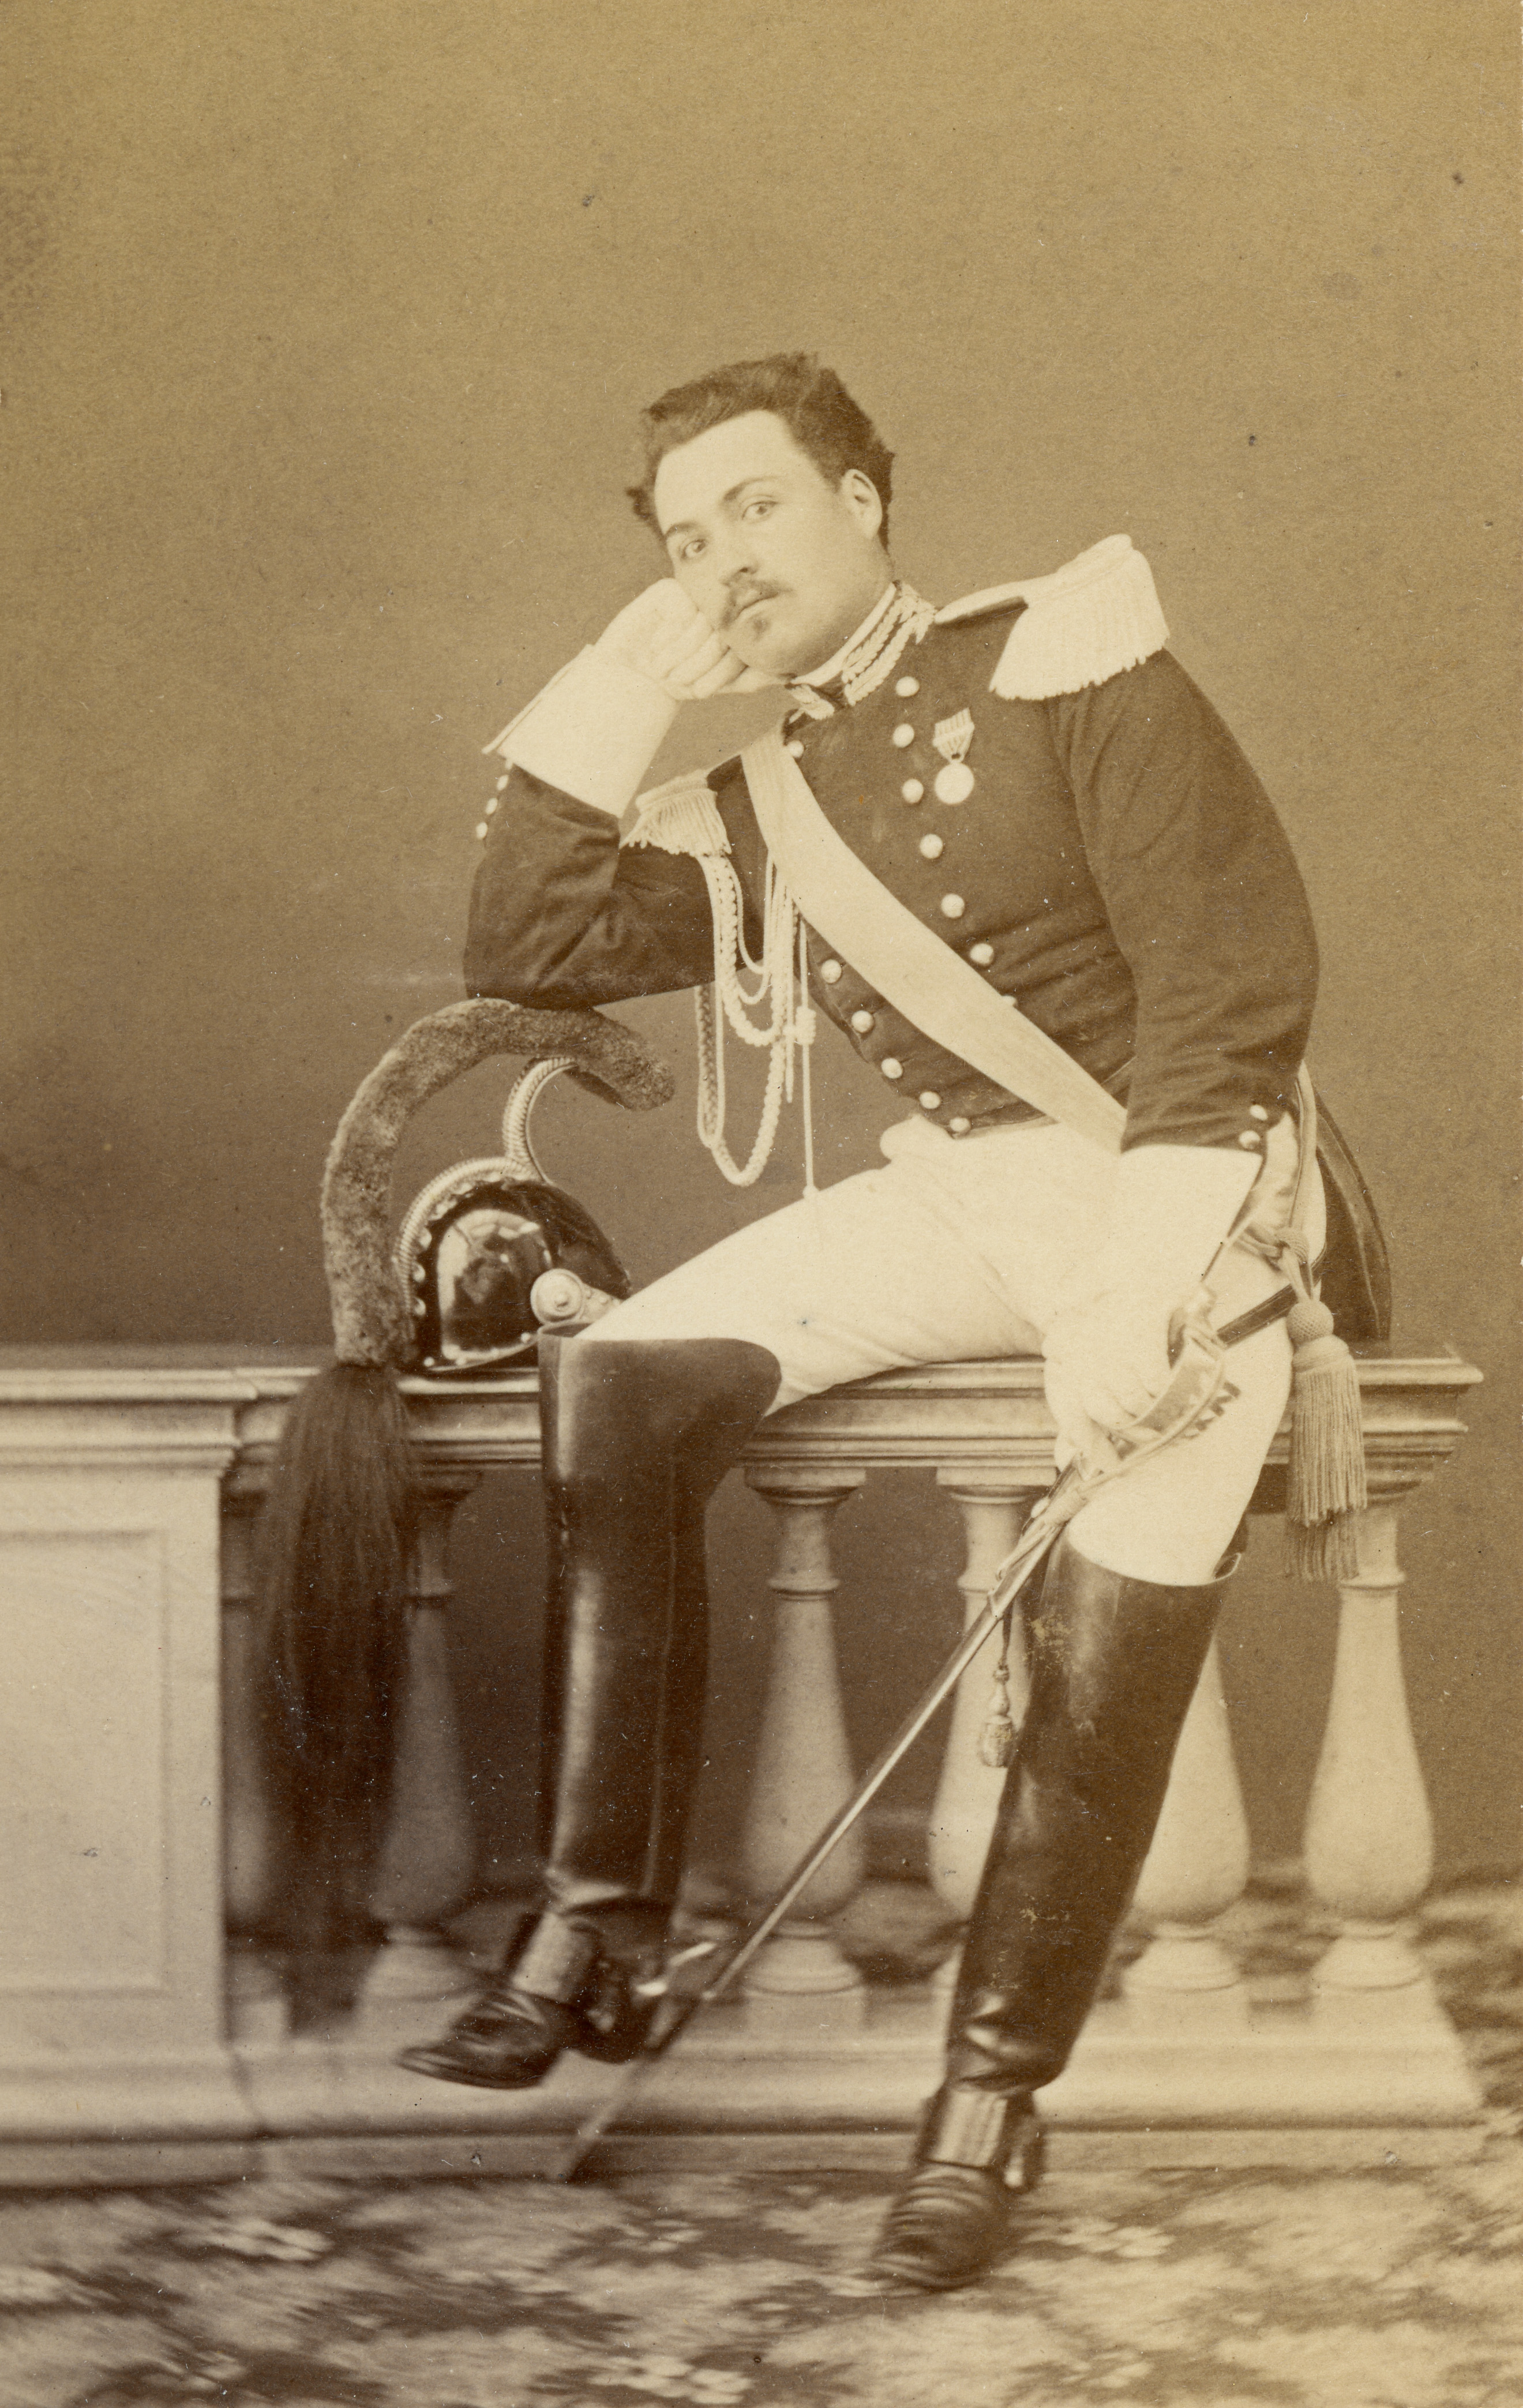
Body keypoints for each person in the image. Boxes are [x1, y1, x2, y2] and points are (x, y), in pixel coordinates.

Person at [400, 352, 1346, 2290]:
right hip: (979, 1194)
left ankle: (986, 2109)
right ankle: (597, 1931)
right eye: (686, 541)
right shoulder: (764, 798)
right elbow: (527, 942)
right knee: (624, 1369)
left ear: (864, 498)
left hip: (1197, 1194)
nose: (724, 560)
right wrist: (628, 676)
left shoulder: (1067, 657)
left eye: (755, 506)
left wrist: (1144, 1288)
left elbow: (1233, 1000)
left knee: (1127, 1576)